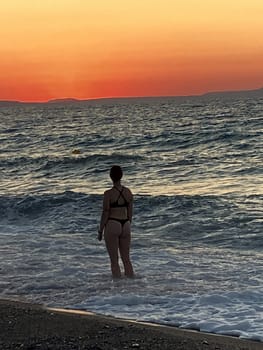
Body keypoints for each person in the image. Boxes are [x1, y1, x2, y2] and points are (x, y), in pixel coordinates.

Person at [98, 165, 134, 279]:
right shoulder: (128, 191)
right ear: (121, 176)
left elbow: (105, 212)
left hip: (113, 224)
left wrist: (100, 230)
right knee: (126, 259)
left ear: (110, 177)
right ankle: (133, 285)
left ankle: (118, 289)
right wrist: (128, 225)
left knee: (114, 260)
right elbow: (130, 212)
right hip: (126, 224)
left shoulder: (108, 194)